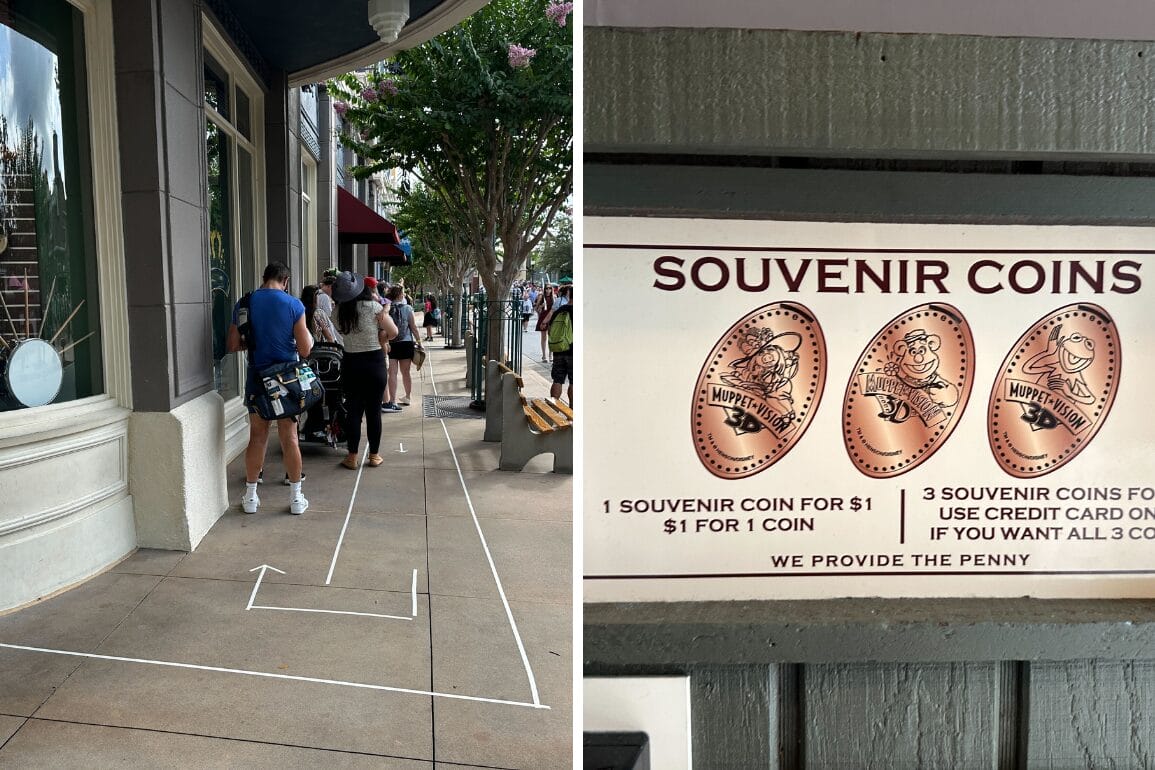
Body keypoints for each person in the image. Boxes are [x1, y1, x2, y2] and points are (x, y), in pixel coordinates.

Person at [227, 262, 313, 515]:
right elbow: (305, 349)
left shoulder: (245, 303)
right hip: (286, 381)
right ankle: (296, 498)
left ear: (263, 278)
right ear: (285, 281)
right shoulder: (294, 304)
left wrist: (254, 345)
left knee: (257, 437)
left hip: (257, 377)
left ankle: (251, 496)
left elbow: (233, 344)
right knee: (290, 438)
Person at [332, 271, 397, 470]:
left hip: (351, 363)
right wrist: (382, 336)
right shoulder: (374, 308)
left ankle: (352, 456)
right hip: (374, 363)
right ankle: (374, 456)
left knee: (353, 412)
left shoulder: (337, 313)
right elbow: (394, 332)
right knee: (374, 412)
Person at [384, 284, 421, 410]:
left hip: (391, 343)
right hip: (406, 343)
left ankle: (392, 401)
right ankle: (408, 397)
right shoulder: (408, 308)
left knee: (392, 373)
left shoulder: (386, 308)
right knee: (406, 372)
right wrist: (419, 341)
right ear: (400, 295)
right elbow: (413, 327)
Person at [545, 284, 574, 405]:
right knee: (574, 382)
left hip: (558, 351)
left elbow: (550, 330)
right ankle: (572, 416)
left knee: (557, 380)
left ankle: (553, 410)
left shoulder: (559, 310)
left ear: (569, 294)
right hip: (573, 352)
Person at [317, 270, 342, 345]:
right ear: (329, 286)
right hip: (325, 330)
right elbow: (329, 316)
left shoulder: (318, 294)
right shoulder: (324, 297)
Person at [533, 284, 556, 362]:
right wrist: (541, 306)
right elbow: (536, 309)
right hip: (543, 317)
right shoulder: (541, 297)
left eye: (550, 288)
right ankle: (544, 355)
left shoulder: (554, 297)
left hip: (551, 318)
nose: (548, 290)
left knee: (551, 337)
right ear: (544, 289)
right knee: (544, 337)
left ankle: (551, 355)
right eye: (547, 288)